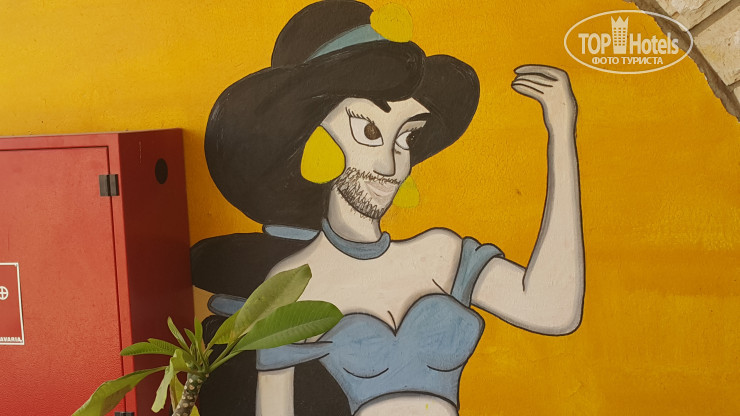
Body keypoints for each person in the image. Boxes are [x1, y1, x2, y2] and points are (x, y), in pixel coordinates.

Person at [194, 1, 584, 415]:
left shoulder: (439, 254)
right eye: (369, 130)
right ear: (314, 139)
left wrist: (561, 129)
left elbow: (553, 309)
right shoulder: (291, 284)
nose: (391, 165)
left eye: (407, 137)